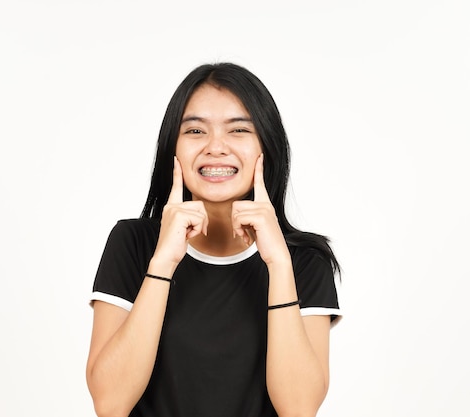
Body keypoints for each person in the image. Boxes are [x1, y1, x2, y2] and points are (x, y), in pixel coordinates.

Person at [86, 62, 342, 417]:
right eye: (195, 131)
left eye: (238, 130)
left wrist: (279, 265)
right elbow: (110, 403)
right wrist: (162, 263)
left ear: (267, 146)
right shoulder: (132, 243)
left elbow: (298, 409)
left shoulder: (305, 261)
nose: (216, 147)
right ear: (172, 148)